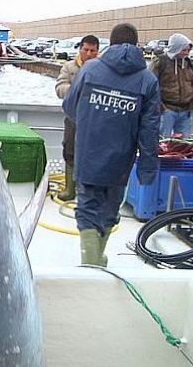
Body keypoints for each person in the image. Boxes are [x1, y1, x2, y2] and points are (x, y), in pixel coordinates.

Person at [63, 23, 159, 266]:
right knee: (110, 208)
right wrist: (147, 167)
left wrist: (91, 121)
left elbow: (70, 107)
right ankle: (97, 259)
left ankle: (91, 261)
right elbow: (149, 130)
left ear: (110, 43)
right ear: (137, 44)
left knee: (87, 206)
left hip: (88, 152)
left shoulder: (90, 69)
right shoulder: (147, 79)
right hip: (121, 158)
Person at [54, 35, 100, 201]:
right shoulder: (69, 67)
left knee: (93, 154)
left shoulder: (103, 68)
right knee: (70, 150)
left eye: (92, 50)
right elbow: (59, 88)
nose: (88, 53)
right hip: (73, 118)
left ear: (97, 51)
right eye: (85, 49)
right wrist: (77, 91)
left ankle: (87, 191)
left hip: (95, 120)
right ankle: (70, 189)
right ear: (80, 49)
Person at [150, 33, 193, 138]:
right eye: (183, 50)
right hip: (167, 109)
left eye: (188, 50)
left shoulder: (189, 64)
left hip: (186, 110)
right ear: (176, 48)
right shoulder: (160, 63)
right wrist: (161, 107)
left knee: (184, 144)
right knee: (163, 142)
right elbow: (152, 87)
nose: (186, 53)